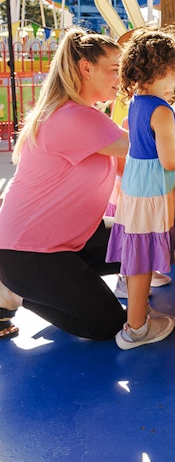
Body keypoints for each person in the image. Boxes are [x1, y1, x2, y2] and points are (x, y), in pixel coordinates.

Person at [0, 28, 129, 341]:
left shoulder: (80, 113)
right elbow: (148, 147)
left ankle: (52, 284)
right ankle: (12, 294)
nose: (121, 79)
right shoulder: (75, 117)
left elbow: (153, 143)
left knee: (147, 243)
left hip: (71, 238)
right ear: (86, 69)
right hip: (28, 251)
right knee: (107, 324)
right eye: (115, 70)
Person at [105, 26, 175, 350]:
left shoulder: (139, 102)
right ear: (161, 69)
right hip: (153, 195)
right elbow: (169, 161)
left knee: (138, 261)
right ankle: (135, 328)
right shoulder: (162, 110)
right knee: (142, 265)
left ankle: (139, 316)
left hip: (137, 192)